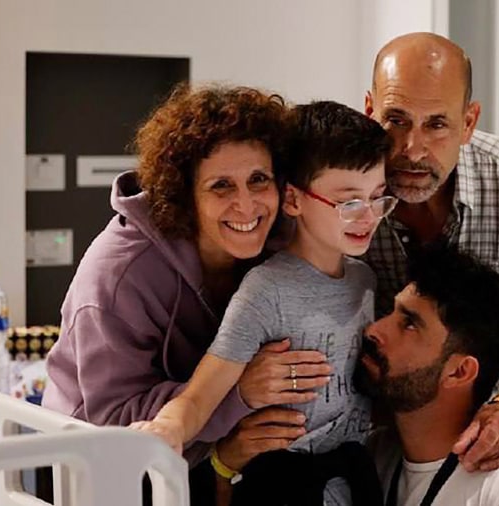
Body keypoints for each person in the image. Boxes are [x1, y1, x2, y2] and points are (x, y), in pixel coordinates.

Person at [41, 84, 330, 504]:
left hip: (204, 462)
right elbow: (113, 425)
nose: (247, 205)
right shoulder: (119, 275)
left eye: (258, 180)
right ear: (185, 195)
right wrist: (239, 392)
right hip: (97, 473)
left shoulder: (279, 242)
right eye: (221, 186)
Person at [132, 100, 396, 506]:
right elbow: (201, 395)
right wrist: (168, 427)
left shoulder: (365, 279)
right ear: (293, 200)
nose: (368, 217)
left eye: (378, 198)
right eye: (349, 203)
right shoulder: (266, 290)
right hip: (280, 488)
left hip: (353, 481)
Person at [363, 32, 499, 487]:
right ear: (369, 111)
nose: (412, 149)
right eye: (396, 120)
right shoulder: (342, 190)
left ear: (468, 121)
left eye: (437, 124)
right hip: (388, 453)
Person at [356, 245, 499, 505]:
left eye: (410, 324)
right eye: (391, 312)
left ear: (459, 372)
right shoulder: (375, 456)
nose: (374, 330)